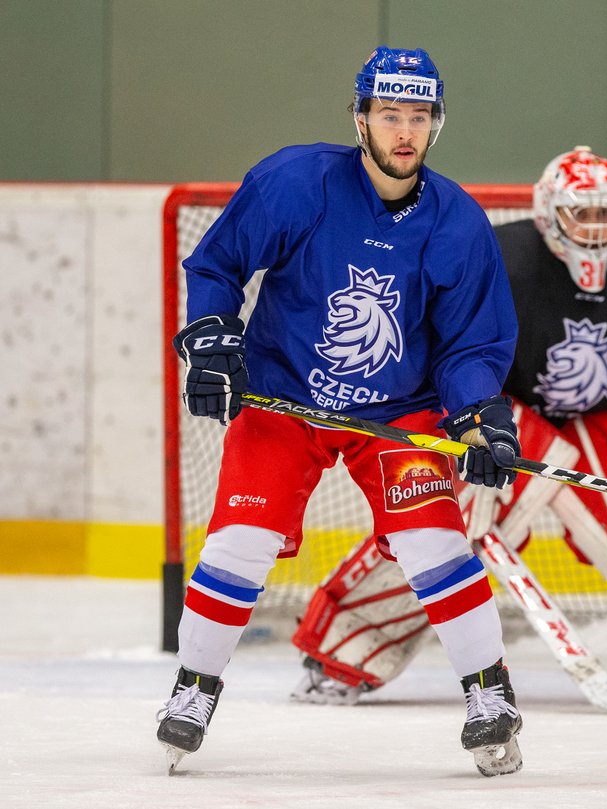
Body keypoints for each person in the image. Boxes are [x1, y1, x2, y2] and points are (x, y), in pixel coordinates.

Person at [289, 147, 607, 706]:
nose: (593, 227)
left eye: (605, 213)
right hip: (494, 427)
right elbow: (444, 349)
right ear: (547, 212)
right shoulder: (497, 260)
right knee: (433, 520)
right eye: (579, 213)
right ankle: (340, 650)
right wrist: (457, 427)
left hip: (600, 431)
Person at [157, 46, 525, 778]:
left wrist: (479, 412)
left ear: (434, 126)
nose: (403, 132)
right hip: (282, 396)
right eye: (389, 114)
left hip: (397, 411)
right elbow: (218, 264)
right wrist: (210, 338)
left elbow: (470, 344)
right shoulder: (296, 183)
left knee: (434, 546)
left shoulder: (457, 224)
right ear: (360, 118)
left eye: (418, 117)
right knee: (238, 541)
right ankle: (193, 688)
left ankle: (490, 693)